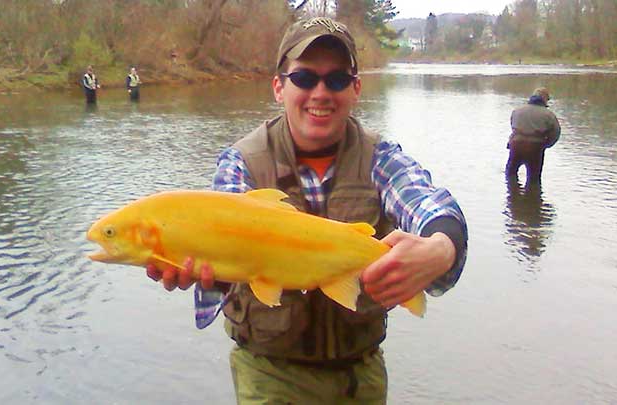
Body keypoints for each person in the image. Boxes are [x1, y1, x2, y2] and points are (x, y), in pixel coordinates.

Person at [146, 17, 468, 403]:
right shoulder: (242, 163)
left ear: (355, 89)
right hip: (269, 374)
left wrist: (441, 247)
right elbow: (224, 268)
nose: (320, 92)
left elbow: (429, 203)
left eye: (335, 80)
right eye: (304, 78)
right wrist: (200, 273)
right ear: (279, 87)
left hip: (359, 376)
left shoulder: (380, 158)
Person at [505, 87, 561, 184]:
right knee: (534, 178)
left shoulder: (517, 111)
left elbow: (513, 127)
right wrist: (547, 144)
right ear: (544, 99)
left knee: (510, 174)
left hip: (516, 145)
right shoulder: (548, 114)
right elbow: (556, 133)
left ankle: (512, 195)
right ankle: (533, 196)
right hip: (535, 148)